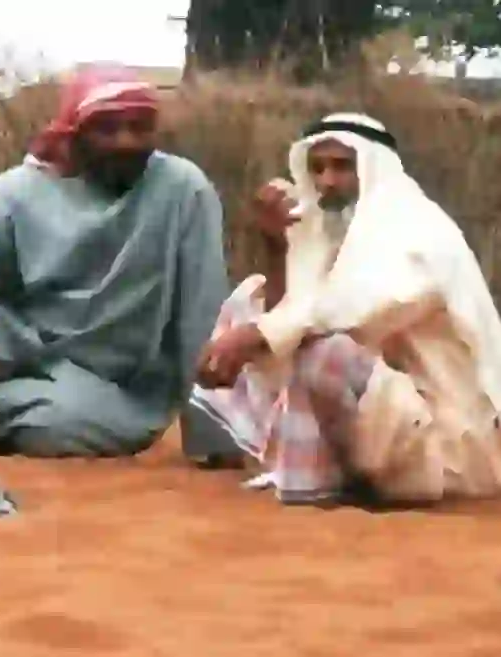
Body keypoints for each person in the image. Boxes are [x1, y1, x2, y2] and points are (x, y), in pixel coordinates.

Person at [0, 62, 229, 458]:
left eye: (139, 128)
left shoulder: (183, 190)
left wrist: (211, 437)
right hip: (17, 343)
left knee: (57, 427)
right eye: (108, 129)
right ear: (75, 136)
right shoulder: (19, 189)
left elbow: (203, 311)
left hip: (105, 385)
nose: (126, 142)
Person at [189, 112, 501, 507]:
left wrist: (251, 338)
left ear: (373, 168)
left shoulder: (419, 231)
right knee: (251, 298)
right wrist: (276, 248)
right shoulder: (330, 233)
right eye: (317, 168)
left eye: (342, 167)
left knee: (323, 351)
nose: (326, 182)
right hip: (385, 421)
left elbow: (349, 314)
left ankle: (321, 480)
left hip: (443, 450)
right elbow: (290, 311)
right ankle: (309, 464)